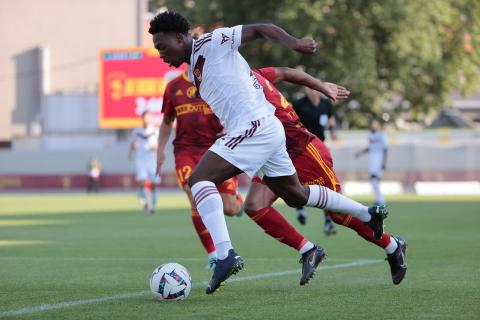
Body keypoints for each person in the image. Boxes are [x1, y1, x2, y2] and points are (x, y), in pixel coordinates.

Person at [149, 11, 388, 295]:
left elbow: (262, 27)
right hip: (267, 131)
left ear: (180, 37)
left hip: (255, 128)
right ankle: (367, 212)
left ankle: (225, 254)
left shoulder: (212, 42)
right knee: (296, 195)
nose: (161, 54)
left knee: (199, 180)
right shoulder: (193, 71)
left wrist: (294, 42)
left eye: (163, 47)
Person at [244, 67, 406, 286]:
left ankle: (392, 246)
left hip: (303, 151)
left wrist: (321, 86)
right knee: (255, 205)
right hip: (272, 155)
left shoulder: (242, 75)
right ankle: (308, 249)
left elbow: (285, 72)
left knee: (337, 214)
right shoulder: (217, 81)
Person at [156, 71, 244, 269]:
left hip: (218, 150)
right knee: (193, 192)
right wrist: (160, 150)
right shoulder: (173, 86)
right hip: (186, 151)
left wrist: (233, 128)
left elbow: (239, 111)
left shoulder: (220, 80)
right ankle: (214, 255)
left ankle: (238, 202)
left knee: (230, 208)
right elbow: (167, 122)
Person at [293, 86, 338, 234]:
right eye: (309, 89)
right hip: (303, 148)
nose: (313, 91)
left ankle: (328, 221)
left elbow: (330, 117)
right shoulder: (299, 104)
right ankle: (300, 208)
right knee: (298, 179)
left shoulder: (326, 103)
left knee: (327, 181)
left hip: (320, 147)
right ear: (306, 90)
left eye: (315, 88)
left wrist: (332, 131)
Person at [129, 111, 161, 214]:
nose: (146, 120)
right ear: (142, 118)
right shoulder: (136, 131)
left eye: (148, 118)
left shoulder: (155, 130)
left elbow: (160, 145)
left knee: (154, 184)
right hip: (140, 159)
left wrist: (156, 148)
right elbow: (133, 143)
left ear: (151, 119)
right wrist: (131, 152)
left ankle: (154, 206)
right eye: (144, 118)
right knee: (142, 182)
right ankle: (145, 204)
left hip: (152, 160)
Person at [355, 119, 388, 205]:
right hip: (372, 158)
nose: (373, 126)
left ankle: (381, 200)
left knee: (375, 177)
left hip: (379, 157)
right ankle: (378, 199)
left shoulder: (381, 135)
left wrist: (384, 163)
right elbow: (369, 148)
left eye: (375, 124)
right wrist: (359, 153)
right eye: (372, 124)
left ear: (378, 125)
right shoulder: (369, 135)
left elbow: (385, 149)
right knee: (373, 179)